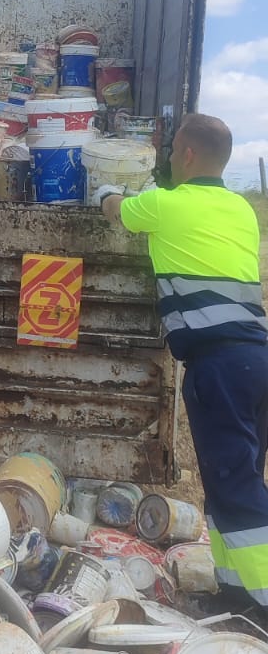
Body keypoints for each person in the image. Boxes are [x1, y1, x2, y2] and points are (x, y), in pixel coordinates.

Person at [96, 113, 268, 610]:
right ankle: (235, 593)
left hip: (218, 369)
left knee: (236, 489)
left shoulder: (164, 205)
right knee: (229, 482)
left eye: (172, 150)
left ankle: (263, 600)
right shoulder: (241, 210)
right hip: (255, 362)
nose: (168, 158)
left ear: (189, 155)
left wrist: (104, 189)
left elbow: (117, 212)